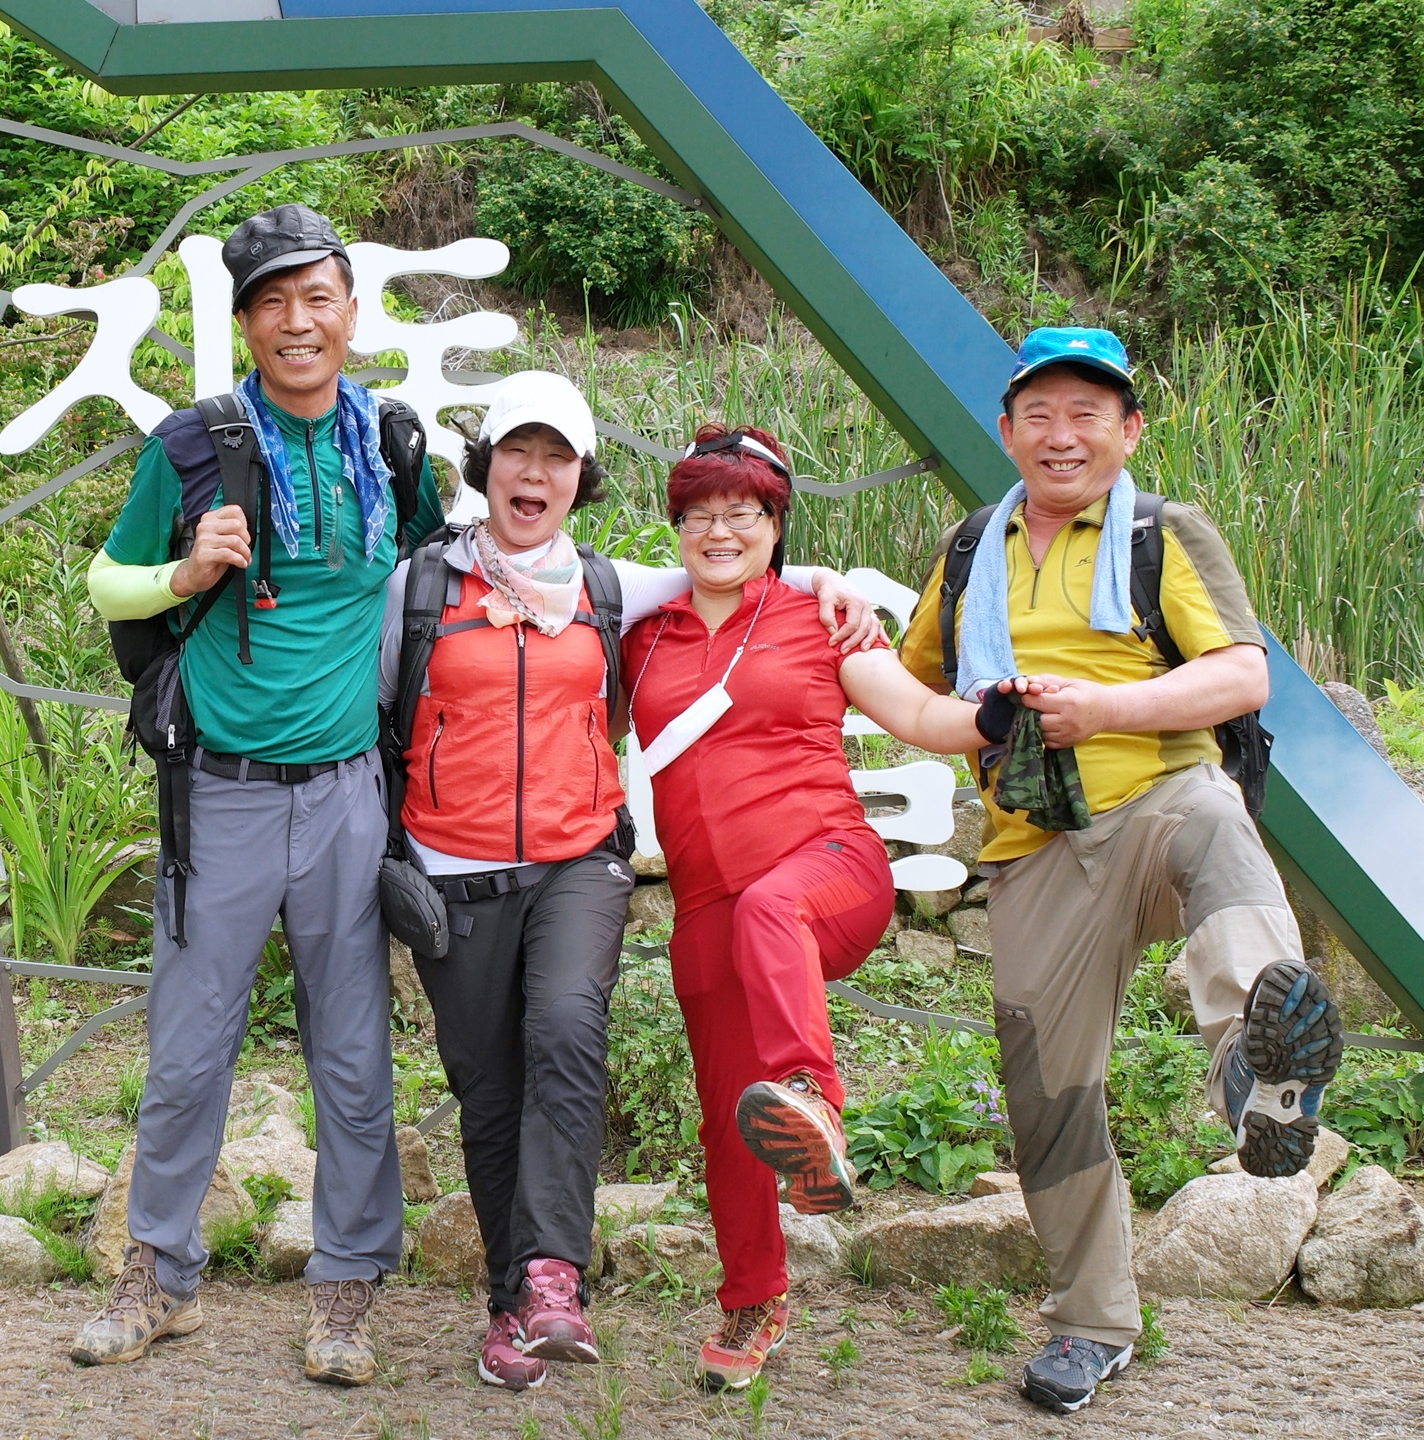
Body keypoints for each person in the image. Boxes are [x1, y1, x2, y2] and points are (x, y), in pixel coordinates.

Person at [378, 376, 890, 1393]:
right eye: (517, 453)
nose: (535, 473)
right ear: (485, 468)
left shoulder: (609, 587)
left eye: (557, 457)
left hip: (578, 861)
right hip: (455, 869)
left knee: (567, 1035)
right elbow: (375, 713)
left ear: (580, 479)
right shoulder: (420, 587)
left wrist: (832, 578)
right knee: (489, 1092)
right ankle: (512, 1304)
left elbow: (733, 564)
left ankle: (557, 1280)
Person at [899, 327, 1343, 1415]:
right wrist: (840, 623)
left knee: (1216, 822)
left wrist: (1107, 709)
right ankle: (1094, 1322)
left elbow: (1241, 677)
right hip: (1033, 843)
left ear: (1129, 431)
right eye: (1040, 414)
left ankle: (1258, 1072)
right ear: (1007, 431)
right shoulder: (972, 547)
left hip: (1154, 801)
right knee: (1047, 1093)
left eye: (1088, 414)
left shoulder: (1163, 532)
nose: (1063, 435)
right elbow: (914, 681)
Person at [73, 204, 448, 1386]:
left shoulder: (392, 447)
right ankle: (157, 1274)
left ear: (351, 310)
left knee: (354, 1056)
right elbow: (107, 584)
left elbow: (439, 574)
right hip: (221, 795)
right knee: (189, 1053)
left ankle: (347, 1287)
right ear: (245, 323)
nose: (298, 321)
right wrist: (186, 571)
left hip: (347, 795)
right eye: (272, 301)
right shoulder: (192, 445)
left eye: (317, 296)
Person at [623, 423, 1021, 1393]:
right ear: (677, 527)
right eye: (699, 514)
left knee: (771, 908)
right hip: (706, 909)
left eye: (743, 512)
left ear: (775, 523)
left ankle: (814, 1099)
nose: (720, 531)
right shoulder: (643, 635)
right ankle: (753, 1301)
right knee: (728, 1121)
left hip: (827, 870)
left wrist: (993, 713)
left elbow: (915, 712)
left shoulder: (817, 618)